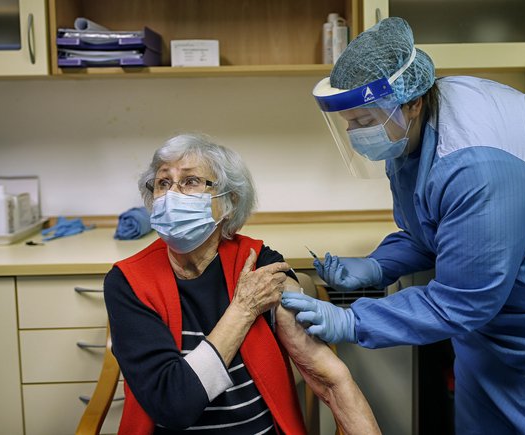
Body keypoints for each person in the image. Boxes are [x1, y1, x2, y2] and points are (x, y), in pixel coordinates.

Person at [282, 17, 525, 434]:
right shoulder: (412, 134)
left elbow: (463, 300)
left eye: (365, 121)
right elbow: (437, 229)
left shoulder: (479, 163)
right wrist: (380, 264)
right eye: (349, 123)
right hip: (490, 309)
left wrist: (353, 322)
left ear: (412, 102)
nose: (356, 134)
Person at [104, 133, 380, 435]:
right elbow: (174, 404)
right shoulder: (128, 281)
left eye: (191, 181)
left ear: (228, 203)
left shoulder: (259, 264)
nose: (172, 195)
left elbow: (328, 376)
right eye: (163, 183)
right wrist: (244, 308)